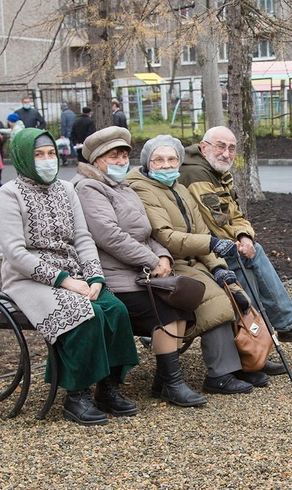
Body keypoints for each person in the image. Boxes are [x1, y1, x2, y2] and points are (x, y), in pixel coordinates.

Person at [0, 127, 140, 425]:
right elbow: (15, 254)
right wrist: (65, 280)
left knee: (114, 309)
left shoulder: (66, 188)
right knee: (83, 313)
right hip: (29, 278)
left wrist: (96, 277)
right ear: (23, 158)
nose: (47, 160)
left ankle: (107, 387)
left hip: (75, 272)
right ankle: (76, 396)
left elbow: (83, 238)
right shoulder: (9, 194)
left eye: (50, 154)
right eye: (38, 155)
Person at [72, 127, 207, 407]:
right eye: (114, 155)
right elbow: (109, 236)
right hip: (115, 278)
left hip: (141, 274)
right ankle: (172, 383)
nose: (121, 161)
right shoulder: (89, 188)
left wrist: (164, 257)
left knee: (183, 307)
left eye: (124, 155)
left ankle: (163, 380)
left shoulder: (123, 187)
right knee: (166, 313)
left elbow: (147, 234)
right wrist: (151, 260)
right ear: (97, 159)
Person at [129, 134, 271, 395]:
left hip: (193, 259)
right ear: (147, 164)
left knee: (234, 290)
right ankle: (220, 374)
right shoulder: (142, 189)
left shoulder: (179, 188)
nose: (166, 165)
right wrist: (212, 247)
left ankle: (246, 360)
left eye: (172, 159)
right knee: (216, 301)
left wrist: (218, 267)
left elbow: (202, 230)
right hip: (171, 262)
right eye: (158, 160)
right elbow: (165, 236)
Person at [179, 126, 292, 343]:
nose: (226, 153)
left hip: (219, 244)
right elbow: (216, 223)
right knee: (248, 256)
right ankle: (280, 327)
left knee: (249, 255)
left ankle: (262, 340)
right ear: (204, 147)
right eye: (220, 146)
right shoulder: (196, 173)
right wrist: (242, 242)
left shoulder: (216, 170)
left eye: (232, 149)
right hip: (201, 251)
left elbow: (236, 214)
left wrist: (244, 236)